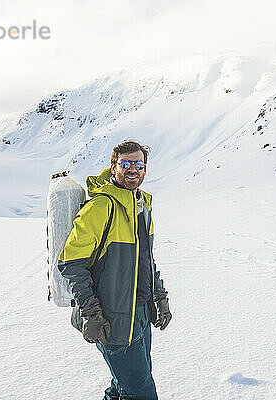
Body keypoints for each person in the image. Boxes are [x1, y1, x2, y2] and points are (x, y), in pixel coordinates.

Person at [58, 140, 172, 400]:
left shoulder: (141, 205)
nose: (133, 170)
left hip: (140, 316)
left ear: (145, 169)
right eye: (126, 164)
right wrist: (92, 313)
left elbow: (146, 261)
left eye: (138, 164)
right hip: (113, 320)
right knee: (141, 393)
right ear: (114, 166)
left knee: (123, 386)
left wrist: (160, 297)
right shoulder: (101, 207)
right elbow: (71, 263)